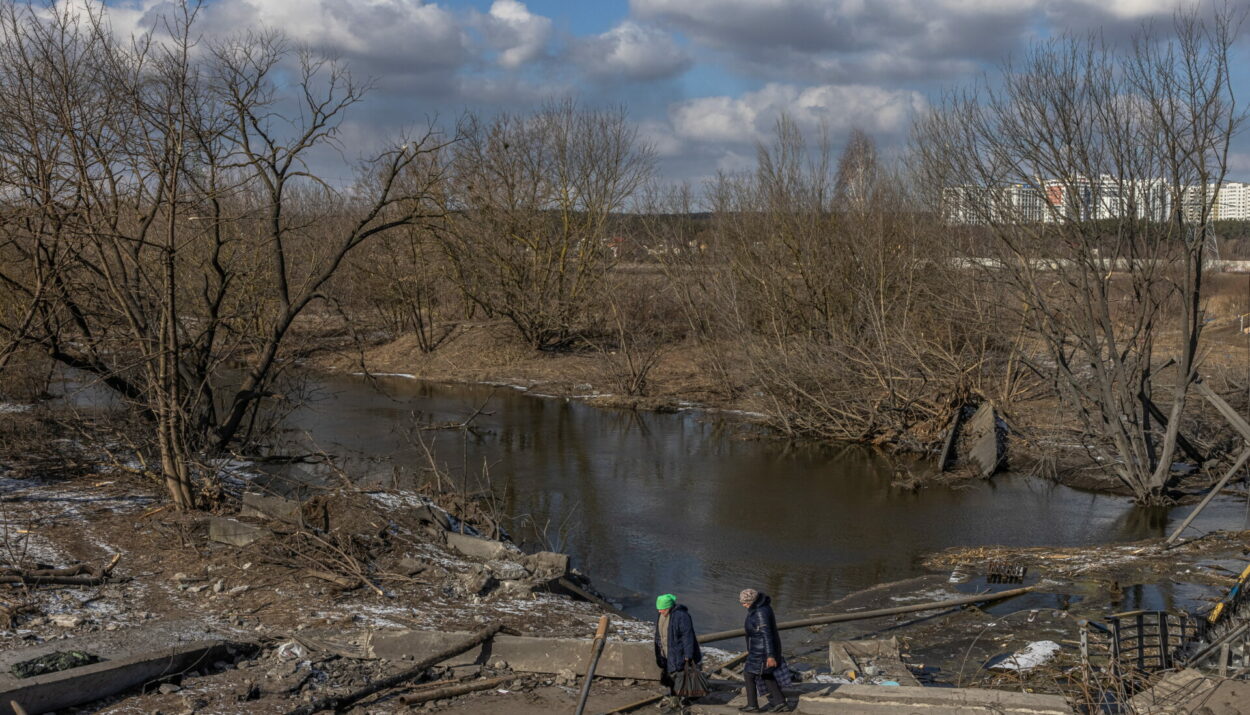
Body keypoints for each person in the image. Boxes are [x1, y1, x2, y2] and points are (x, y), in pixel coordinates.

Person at [738, 588, 794, 713]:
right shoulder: (761, 608)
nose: (743, 605)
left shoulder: (759, 612)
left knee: (748, 674)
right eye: (742, 602)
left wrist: (770, 656)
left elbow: (767, 635)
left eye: (745, 602)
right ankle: (780, 703)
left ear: (752, 601)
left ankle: (753, 705)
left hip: (761, 651)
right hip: (758, 649)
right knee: (765, 674)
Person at [654, 593, 702, 711]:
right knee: (671, 675)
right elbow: (658, 634)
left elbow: (687, 636)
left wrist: (688, 654)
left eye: (662, 609)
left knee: (679, 675)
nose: (660, 611)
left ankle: (681, 699)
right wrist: (658, 652)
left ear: (669, 607)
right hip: (666, 652)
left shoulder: (682, 616)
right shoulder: (661, 615)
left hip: (678, 652)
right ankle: (675, 698)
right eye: (658, 609)